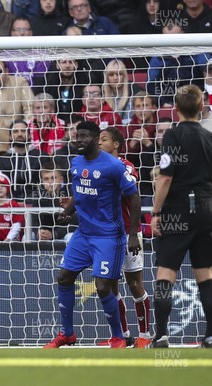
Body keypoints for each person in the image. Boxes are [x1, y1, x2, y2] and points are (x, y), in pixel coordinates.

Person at [44, 121, 141, 349]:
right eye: (77, 135)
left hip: (108, 236)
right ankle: (67, 334)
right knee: (64, 277)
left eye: (84, 136)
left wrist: (134, 233)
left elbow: (134, 197)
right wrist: (67, 212)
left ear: (96, 139)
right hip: (83, 233)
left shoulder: (113, 166)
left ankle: (119, 337)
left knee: (103, 286)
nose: (78, 139)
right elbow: (79, 192)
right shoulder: (75, 163)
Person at [150, 84, 212, 349]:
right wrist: (211, 207)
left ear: (176, 107)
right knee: (204, 274)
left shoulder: (173, 136)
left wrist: (156, 212)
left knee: (165, 272)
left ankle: (160, 336)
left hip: (178, 211)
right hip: (205, 211)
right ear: (201, 106)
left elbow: (166, 177)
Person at [98, 127, 153, 348]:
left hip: (130, 232)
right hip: (106, 235)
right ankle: (123, 335)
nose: (99, 143)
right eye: (98, 139)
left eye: (104, 139)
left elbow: (126, 192)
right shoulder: (94, 168)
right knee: (110, 285)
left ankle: (145, 336)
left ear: (116, 145)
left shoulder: (127, 166)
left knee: (134, 283)